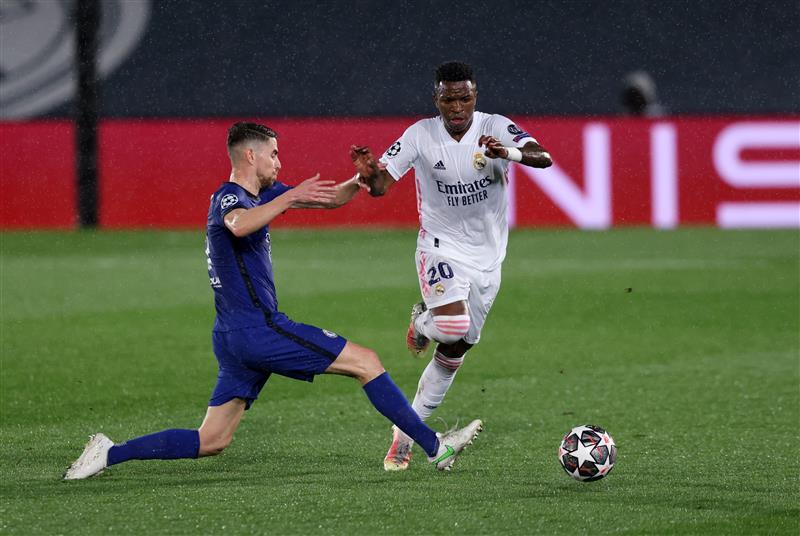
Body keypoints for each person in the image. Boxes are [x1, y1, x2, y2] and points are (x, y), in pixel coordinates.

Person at [64, 122, 482, 480]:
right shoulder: (228, 197)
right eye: (274, 154)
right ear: (250, 155)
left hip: (234, 337)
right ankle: (434, 447)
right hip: (257, 329)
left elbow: (328, 198)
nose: (279, 163)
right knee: (366, 362)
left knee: (212, 440)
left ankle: (107, 452)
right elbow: (240, 226)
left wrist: (360, 182)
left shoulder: (263, 195)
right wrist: (287, 196)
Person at [350, 61, 552, 471]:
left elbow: (543, 157)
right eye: (448, 99)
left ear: (475, 96)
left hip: (488, 261)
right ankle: (424, 321)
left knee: (455, 349)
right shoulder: (420, 135)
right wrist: (370, 176)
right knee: (452, 326)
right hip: (439, 247)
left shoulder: (494, 127)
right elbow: (381, 185)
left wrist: (508, 152)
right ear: (436, 99)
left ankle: (402, 440)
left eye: (465, 98)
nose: (457, 107)